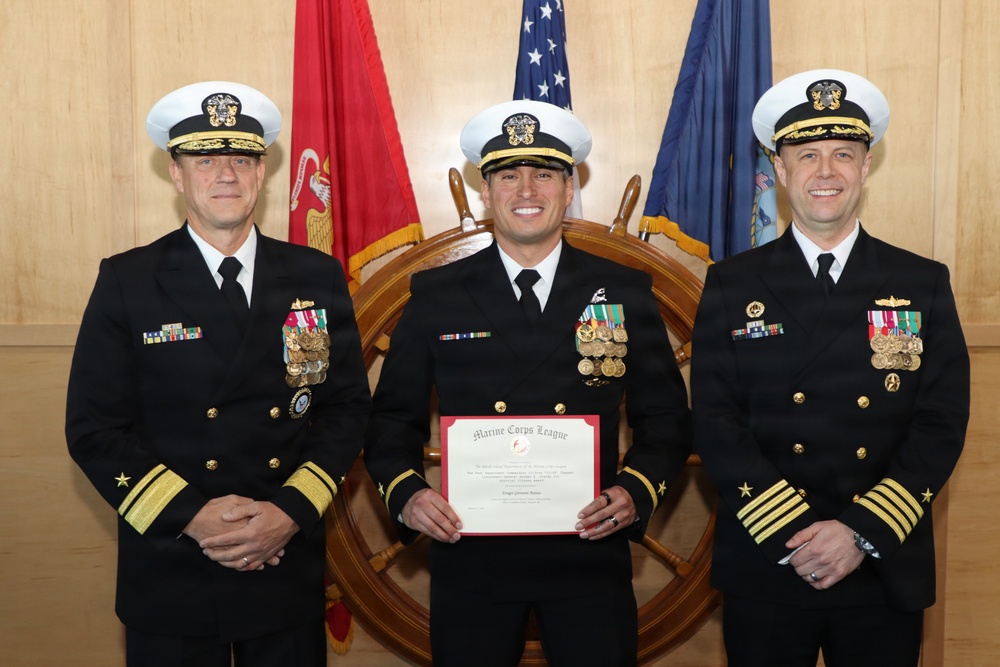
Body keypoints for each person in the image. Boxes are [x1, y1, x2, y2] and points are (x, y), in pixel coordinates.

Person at [363, 100, 692, 666]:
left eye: (544, 174)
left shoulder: (625, 291)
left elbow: (665, 420)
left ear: (569, 189)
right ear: (485, 194)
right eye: (507, 176)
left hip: (590, 554)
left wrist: (635, 493)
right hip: (471, 558)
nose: (526, 189)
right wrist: (408, 495)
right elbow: (392, 420)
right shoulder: (435, 295)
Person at [65, 81, 371, 667]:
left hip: (283, 559)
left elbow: (346, 410)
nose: (226, 175)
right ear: (176, 174)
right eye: (206, 160)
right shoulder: (128, 280)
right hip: (173, 565)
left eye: (242, 159)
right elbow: (94, 430)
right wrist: (194, 518)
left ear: (262, 173)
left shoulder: (316, 275)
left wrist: (290, 512)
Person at [691, 69, 970, 667]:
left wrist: (858, 532)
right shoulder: (731, 283)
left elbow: (941, 422)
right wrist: (794, 535)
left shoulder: (920, 282)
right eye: (807, 154)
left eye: (843, 154)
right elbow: (715, 419)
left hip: (879, 559)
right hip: (770, 554)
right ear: (780, 170)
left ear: (866, 167)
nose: (826, 172)